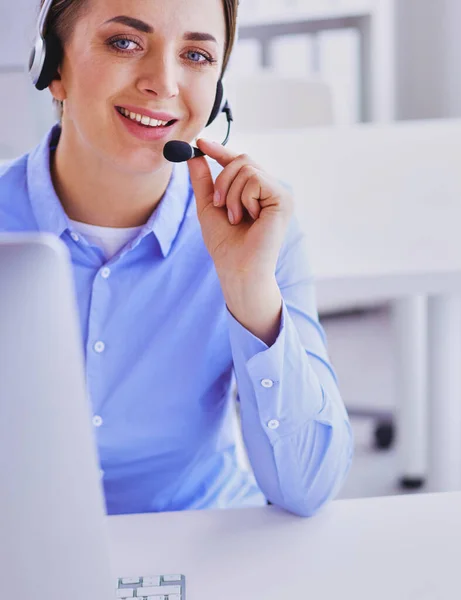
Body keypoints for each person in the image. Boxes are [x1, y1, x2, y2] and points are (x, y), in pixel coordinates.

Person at [0, 0, 353, 517]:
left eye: (196, 54)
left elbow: (308, 488)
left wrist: (249, 292)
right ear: (53, 66)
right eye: (124, 42)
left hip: (197, 541)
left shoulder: (258, 229)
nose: (163, 82)